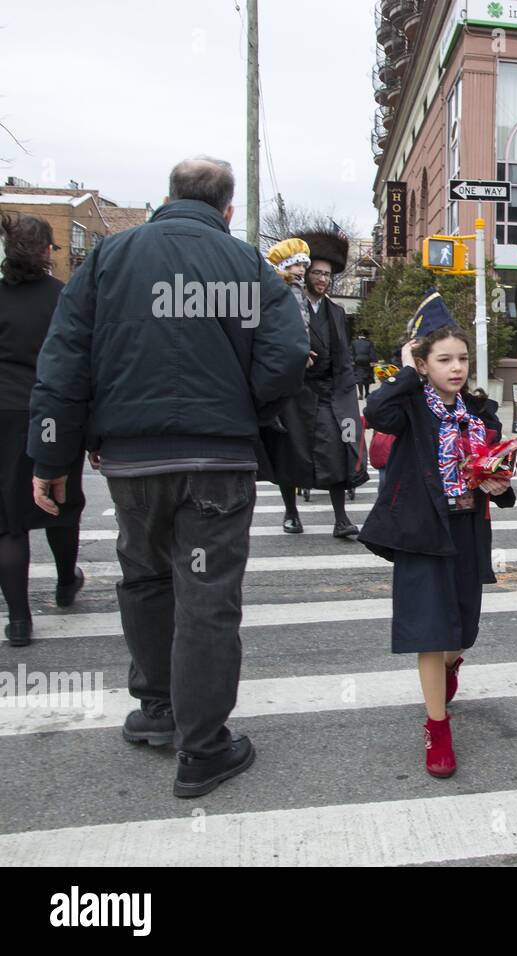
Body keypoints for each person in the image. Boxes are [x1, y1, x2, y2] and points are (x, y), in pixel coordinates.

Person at [27, 155, 308, 797]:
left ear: (168, 196)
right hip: (216, 461)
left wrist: (51, 457)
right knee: (207, 598)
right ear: (228, 209)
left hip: (131, 460)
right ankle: (203, 747)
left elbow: (64, 359)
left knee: (146, 578)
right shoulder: (246, 266)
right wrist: (243, 405)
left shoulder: (109, 259)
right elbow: (287, 355)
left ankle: (157, 712)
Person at [359, 321, 515, 777]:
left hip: (467, 529)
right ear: (425, 364)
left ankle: (452, 664)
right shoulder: (408, 405)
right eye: (444, 359)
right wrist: (407, 372)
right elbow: (375, 410)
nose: (456, 368)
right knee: (430, 630)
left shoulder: (481, 413)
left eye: (462, 359)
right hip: (421, 531)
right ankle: (437, 728)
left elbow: (499, 478)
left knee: (461, 630)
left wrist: (499, 484)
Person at [0, 212, 85, 646]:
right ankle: (66, 582)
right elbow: (79, 360)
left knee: (9, 523)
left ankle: (19, 620)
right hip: (53, 412)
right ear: (48, 251)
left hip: (4, 413)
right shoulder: (63, 296)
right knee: (59, 503)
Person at [265, 230, 368, 537]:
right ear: (305, 273)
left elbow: (343, 356)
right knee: (290, 450)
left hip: (328, 391)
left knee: (337, 448)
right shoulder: (285, 303)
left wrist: (348, 395)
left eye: (327, 275)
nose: (323, 279)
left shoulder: (335, 311)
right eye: (317, 273)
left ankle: (340, 519)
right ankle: (291, 513)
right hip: (295, 392)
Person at [351, 328, 376, 399]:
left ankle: (360, 394)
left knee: (359, 378)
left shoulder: (354, 342)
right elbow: (372, 353)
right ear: (366, 335)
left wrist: (352, 361)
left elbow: (351, 353)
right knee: (366, 377)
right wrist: (373, 361)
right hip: (366, 361)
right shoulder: (369, 343)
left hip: (357, 361)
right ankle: (367, 393)